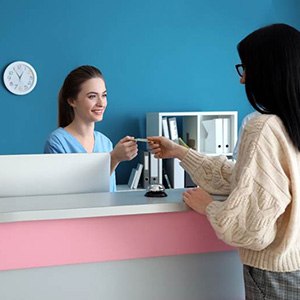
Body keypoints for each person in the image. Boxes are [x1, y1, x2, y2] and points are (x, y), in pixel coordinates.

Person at [148, 24, 300, 299]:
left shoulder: (263, 127)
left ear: (268, 70)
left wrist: (210, 207)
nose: (242, 80)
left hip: (275, 275)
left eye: (246, 68)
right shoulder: (290, 125)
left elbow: (249, 230)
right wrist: (182, 152)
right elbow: (245, 179)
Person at [44, 65, 138, 192]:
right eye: (92, 96)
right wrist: (114, 158)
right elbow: (67, 192)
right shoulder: (57, 142)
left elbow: (110, 191)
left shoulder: (106, 143)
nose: (101, 103)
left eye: (104, 95)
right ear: (72, 101)